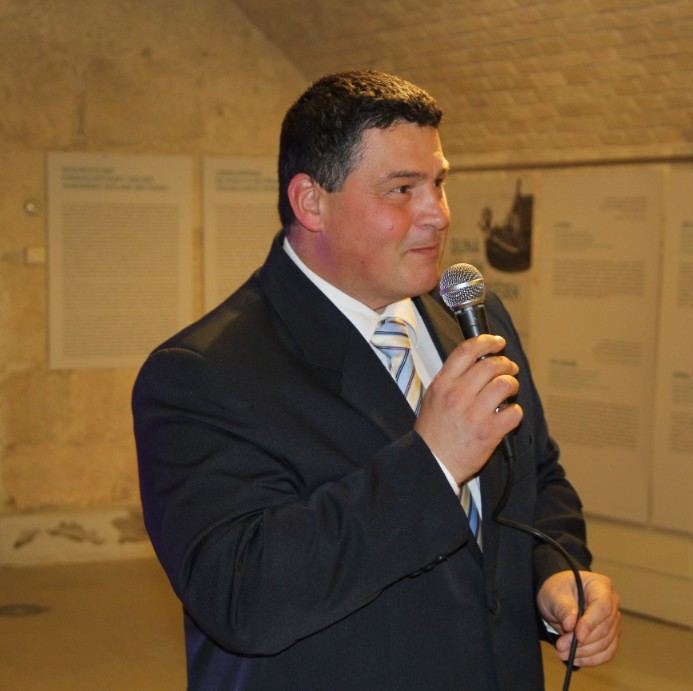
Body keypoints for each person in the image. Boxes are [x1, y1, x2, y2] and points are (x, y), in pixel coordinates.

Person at [133, 69, 621, 690]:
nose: (437, 214)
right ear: (311, 202)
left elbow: (536, 477)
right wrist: (432, 462)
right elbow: (242, 595)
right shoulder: (203, 374)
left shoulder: (473, 318)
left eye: (439, 183)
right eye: (401, 190)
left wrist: (552, 573)